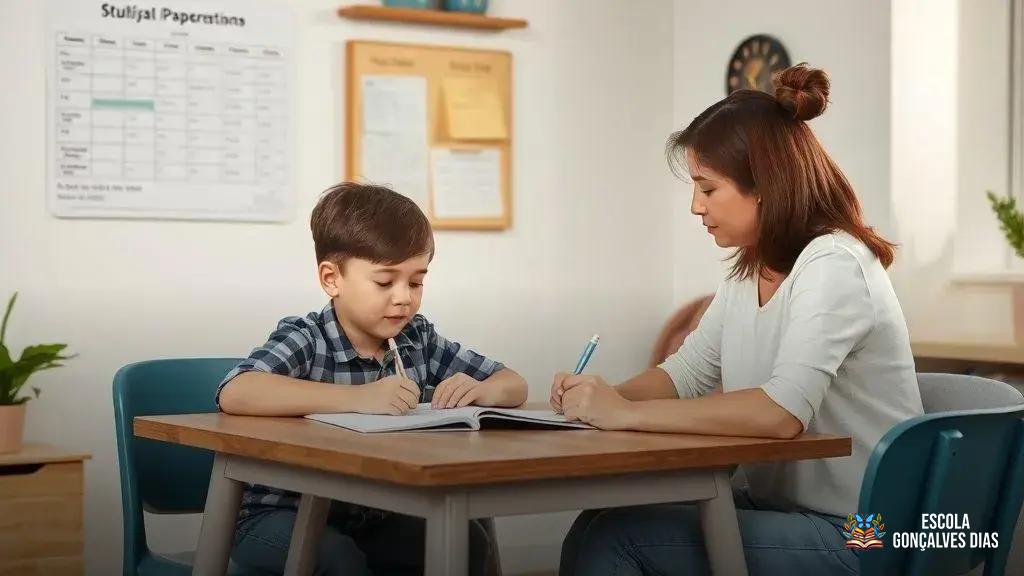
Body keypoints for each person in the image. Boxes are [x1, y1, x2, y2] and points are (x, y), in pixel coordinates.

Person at [552, 64, 923, 576]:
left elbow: (780, 413)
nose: (695, 207)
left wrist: (623, 414)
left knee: (620, 539)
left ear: (763, 186)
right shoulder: (751, 269)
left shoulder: (834, 264)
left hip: (868, 530)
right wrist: (600, 398)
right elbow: (685, 375)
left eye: (708, 189)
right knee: (599, 520)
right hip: (787, 509)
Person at [218, 182, 528, 576]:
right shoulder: (308, 338)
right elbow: (236, 390)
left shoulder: (417, 338)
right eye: (385, 282)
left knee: (465, 541)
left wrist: (482, 390)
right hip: (275, 516)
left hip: (367, 517)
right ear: (331, 279)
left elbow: (513, 383)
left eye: (415, 282)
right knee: (338, 558)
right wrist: (360, 397)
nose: (404, 298)